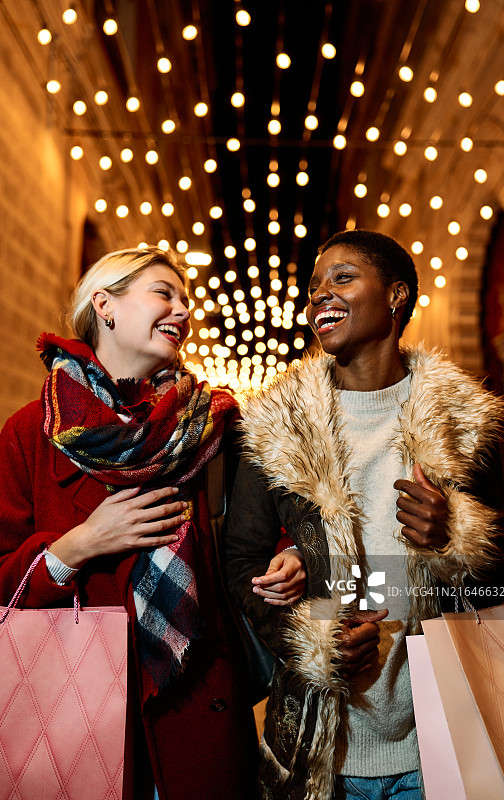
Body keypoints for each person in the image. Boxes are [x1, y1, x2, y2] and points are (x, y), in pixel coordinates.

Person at [0, 245, 304, 800]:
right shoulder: (32, 434)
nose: (184, 311)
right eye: (164, 293)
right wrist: (78, 546)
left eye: (186, 300)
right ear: (105, 305)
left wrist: (291, 556)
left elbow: (268, 530)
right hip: (75, 711)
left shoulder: (215, 426)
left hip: (198, 703)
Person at [225, 229, 504, 800]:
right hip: (318, 744)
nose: (320, 295)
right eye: (313, 288)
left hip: (438, 741)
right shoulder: (276, 427)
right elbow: (241, 563)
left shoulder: (465, 427)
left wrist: (455, 536)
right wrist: (312, 637)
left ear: (397, 295)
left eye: (342, 277)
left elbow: (497, 589)